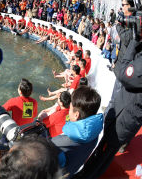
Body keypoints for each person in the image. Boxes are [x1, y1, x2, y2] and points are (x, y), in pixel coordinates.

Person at [76, 27, 142, 178]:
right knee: (105, 154)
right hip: (126, 117)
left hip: (124, 119)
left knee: (103, 154)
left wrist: (135, 41)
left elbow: (122, 73)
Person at [52, 86, 103, 178]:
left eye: (70, 109)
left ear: (76, 115)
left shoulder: (58, 144)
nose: (69, 112)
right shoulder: (94, 132)